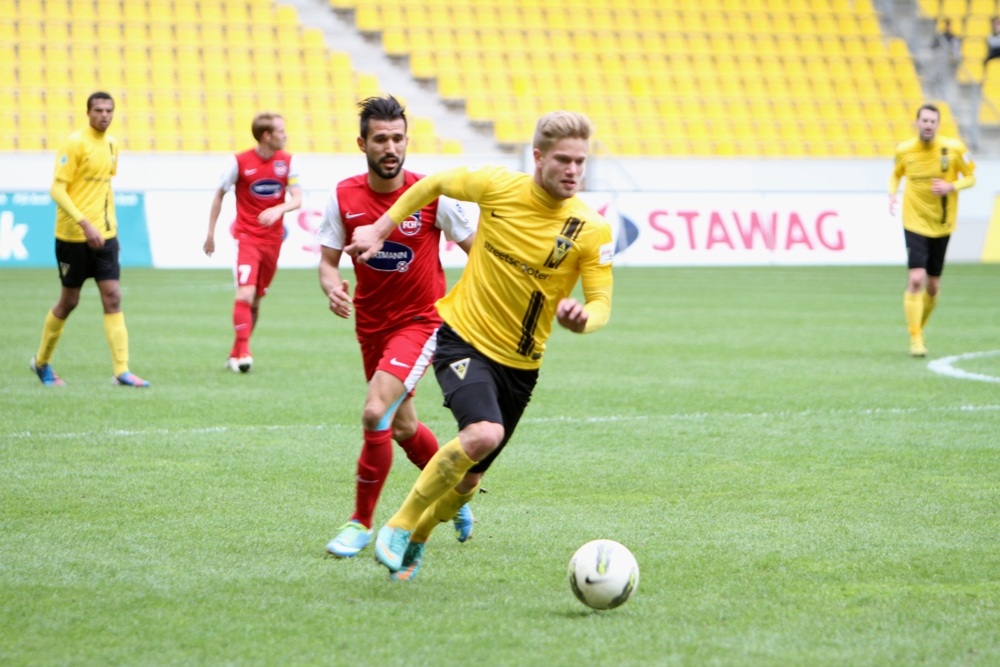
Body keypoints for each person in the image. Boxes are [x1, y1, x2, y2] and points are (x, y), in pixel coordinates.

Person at [346, 110, 615, 581]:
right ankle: (399, 525)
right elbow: (433, 185)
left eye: (580, 161)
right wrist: (381, 228)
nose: (573, 170)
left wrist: (584, 320)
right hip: (463, 339)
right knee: (483, 434)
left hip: (521, 366)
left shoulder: (590, 229)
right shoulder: (497, 186)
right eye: (563, 160)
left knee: (469, 480)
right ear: (538, 157)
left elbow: (601, 302)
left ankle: (420, 536)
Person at [316, 96, 477, 558]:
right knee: (403, 424)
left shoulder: (430, 194)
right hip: (371, 327)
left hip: (421, 322)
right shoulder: (343, 197)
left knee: (375, 412)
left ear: (407, 141)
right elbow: (327, 263)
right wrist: (332, 287)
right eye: (381, 139)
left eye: (398, 139)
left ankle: (360, 523)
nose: (391, 148)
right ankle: (453, 492)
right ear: (362, 143)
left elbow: (478, 251)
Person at [30, 91, 149, 387]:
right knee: (69, 301)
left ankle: (121, 371)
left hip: (105, 236)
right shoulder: (74, 143)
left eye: (109, 110)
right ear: (88, 113)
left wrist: (113, 231)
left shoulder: (112, 144)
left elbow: (104, 189)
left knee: (113, 296)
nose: (104, 115)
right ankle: (41, 362)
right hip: (73, 236)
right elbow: (57, 189)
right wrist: (84, 223)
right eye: (98, 110)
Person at [203, 112, 302, 373]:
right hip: (246, 238)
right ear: (267, 136)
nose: (286, 135)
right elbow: (219, 195)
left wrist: (279, 209)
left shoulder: (288, 162)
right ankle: (245, 352)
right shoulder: (238, 162)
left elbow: (297, 199)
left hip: (273, 241)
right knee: (245, 294)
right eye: (281, 131)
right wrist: (211, 234)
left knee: (256, 300)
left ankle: (235, 353)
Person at [889, 103, 976, 357]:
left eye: (932, 121)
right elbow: (895, 174)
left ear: (938, 125)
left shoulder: (954, 149)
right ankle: (916, 338)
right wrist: (892, 194)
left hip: (941, 224)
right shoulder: (904, 150)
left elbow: (972, 177)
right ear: (917, 123)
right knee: (916, 279)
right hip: (914, 222)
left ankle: (919, 325)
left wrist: (951, 186)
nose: (928, 125)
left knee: (933, 287)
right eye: (924, 120)